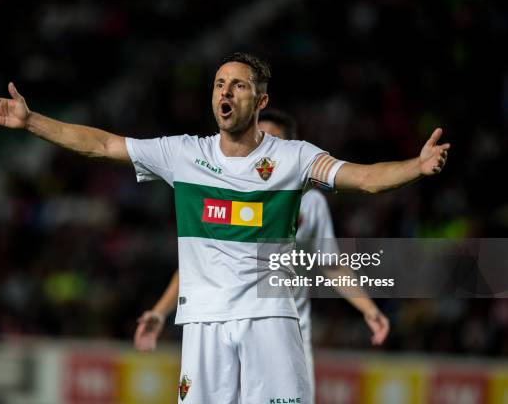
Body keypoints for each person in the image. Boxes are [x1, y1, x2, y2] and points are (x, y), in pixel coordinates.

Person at [0, 52, 449, 403]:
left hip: (270, 321)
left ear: (261, 100)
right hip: (202, 322)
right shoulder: (183, 154)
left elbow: (363, 179)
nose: (225, 91)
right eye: (219, 83)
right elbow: (101, 145)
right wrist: (32, 121)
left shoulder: (293, 158)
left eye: (238, 85)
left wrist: (416, 165)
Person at [133, 109, 390, 399]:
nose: (262, 149)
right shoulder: (222, 193)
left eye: (272, 140)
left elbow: (330, 264)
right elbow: (195, 268)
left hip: (282, 335)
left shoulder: (311, 204)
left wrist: (369, 309)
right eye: (259, 137)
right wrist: (159, 311)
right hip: (223, 327)